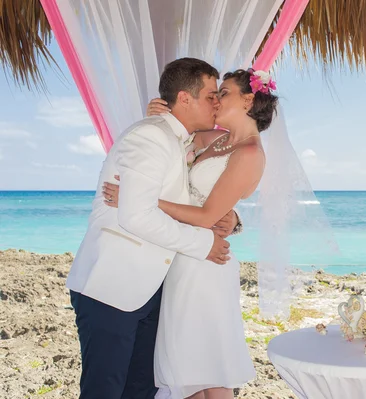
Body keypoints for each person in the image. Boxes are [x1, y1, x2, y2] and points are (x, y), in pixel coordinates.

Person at [102, 68, 279, 399]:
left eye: (222, 93)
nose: (215, 99)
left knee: (210, 370)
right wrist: (161, 116)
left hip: (206, 265)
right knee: (183, 371)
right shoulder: (215, 139)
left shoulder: (250, 153)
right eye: (212, 94)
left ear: (248, 99)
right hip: (180, 259)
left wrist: (144, 201)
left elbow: (207, 215)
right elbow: (171, 149)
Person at [67, 58, 238, 399]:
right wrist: (202, 244)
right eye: (209, 95)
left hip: (150, 289)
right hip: (111, 285)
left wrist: (231, 219)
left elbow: (196, 196)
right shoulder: (150, 136)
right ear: (184, 98)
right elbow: (137, 216)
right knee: (105, 390)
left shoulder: (181, 140)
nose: (216, 103)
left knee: (141, 389)